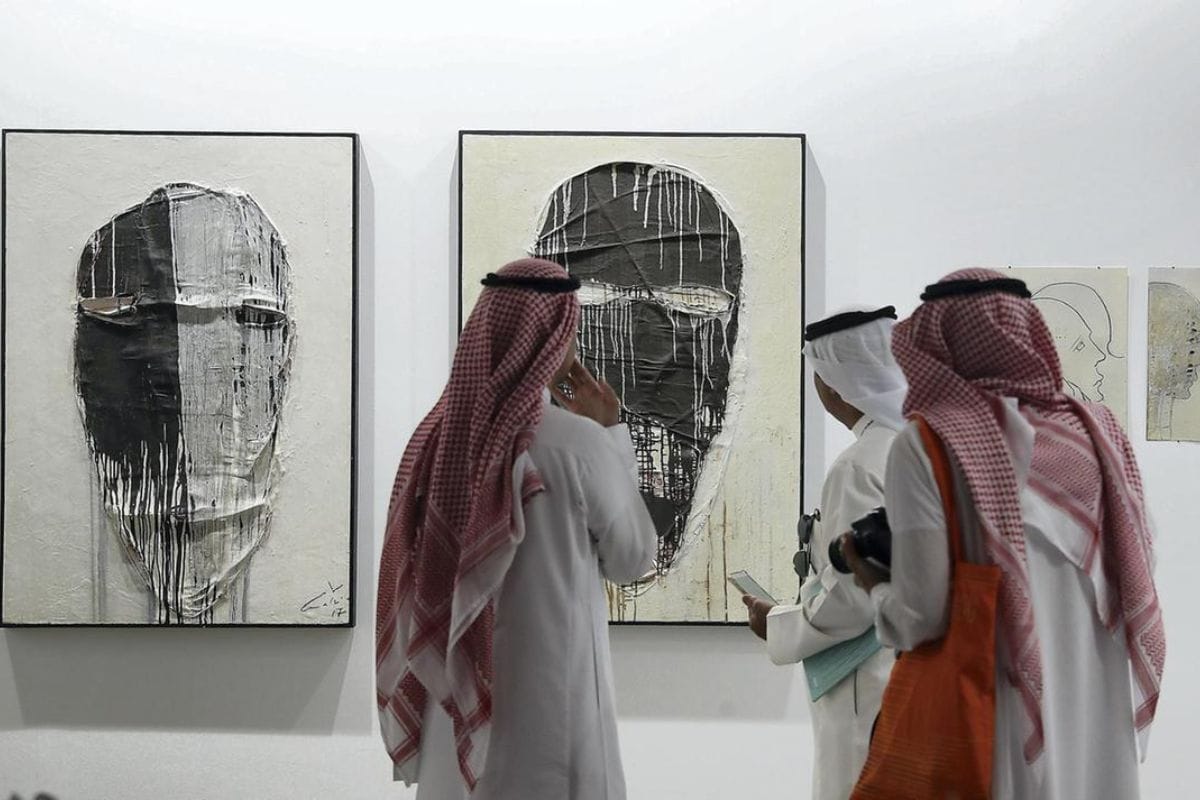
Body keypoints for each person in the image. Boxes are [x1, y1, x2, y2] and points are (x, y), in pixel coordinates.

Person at [842, 269, 1165, 799]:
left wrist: (874, 587)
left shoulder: (927, 444)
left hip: (1001, 701)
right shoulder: (1098, 431)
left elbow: (922, 615)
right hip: (1097, 700)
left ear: (936, 342)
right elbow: (1141, 559)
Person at [376, 258, 658, 800]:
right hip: (556, 716)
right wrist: (611, 433)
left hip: (455, 716)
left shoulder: (433, 442)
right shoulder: (577, 443)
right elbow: (633, 558)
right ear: (553, 340)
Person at [743, 305, 907, 800]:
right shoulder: (924, 446)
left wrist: (777, 623)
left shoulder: (859, 466)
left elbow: (853, 595)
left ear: (831, 383)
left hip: (869, 680)